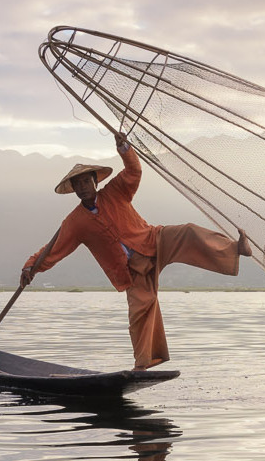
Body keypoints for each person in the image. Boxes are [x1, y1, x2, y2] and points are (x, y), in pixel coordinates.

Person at [20, 133, 253, 370]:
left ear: (94, 182)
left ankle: (236, 248)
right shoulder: (75, 222)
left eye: (85, 182)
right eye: (77, 184)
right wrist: (31, 267)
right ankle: (143, 364)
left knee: (189, 232)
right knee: (140, 312)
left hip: (153, 240)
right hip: (132, 270)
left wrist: (124, 148)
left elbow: (134, 172)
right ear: (74, 189)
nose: (82, 187)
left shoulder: (114, 192)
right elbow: (54, 249)